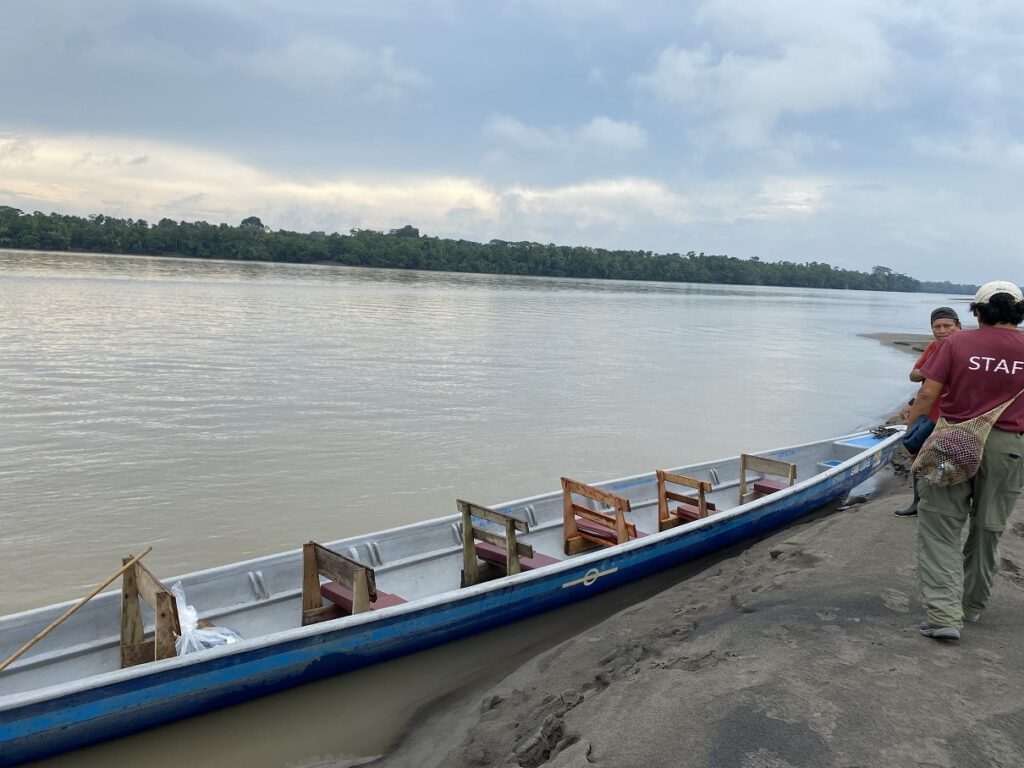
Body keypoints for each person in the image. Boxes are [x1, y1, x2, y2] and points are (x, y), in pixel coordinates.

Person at [906, 281, 1024, 641]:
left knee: (939, 525)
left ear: (977, 312)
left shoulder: (958, 343)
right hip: (1009, 447)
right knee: (988, 529)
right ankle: (972, 606)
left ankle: (944, 614)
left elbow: (927, 392)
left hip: (954, 441)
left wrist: (912, 437)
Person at [895, 307, 962, 517]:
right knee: (917, 453)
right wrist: (913, 401)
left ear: (958, 326)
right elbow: (914, 375)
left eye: (947, 326)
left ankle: (944, 505)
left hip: (954, 414)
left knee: (947, 459)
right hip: (928, 411)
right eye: (937, 327)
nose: (942, 331)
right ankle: (918, 502)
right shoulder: (934, 347)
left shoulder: (967, 348)